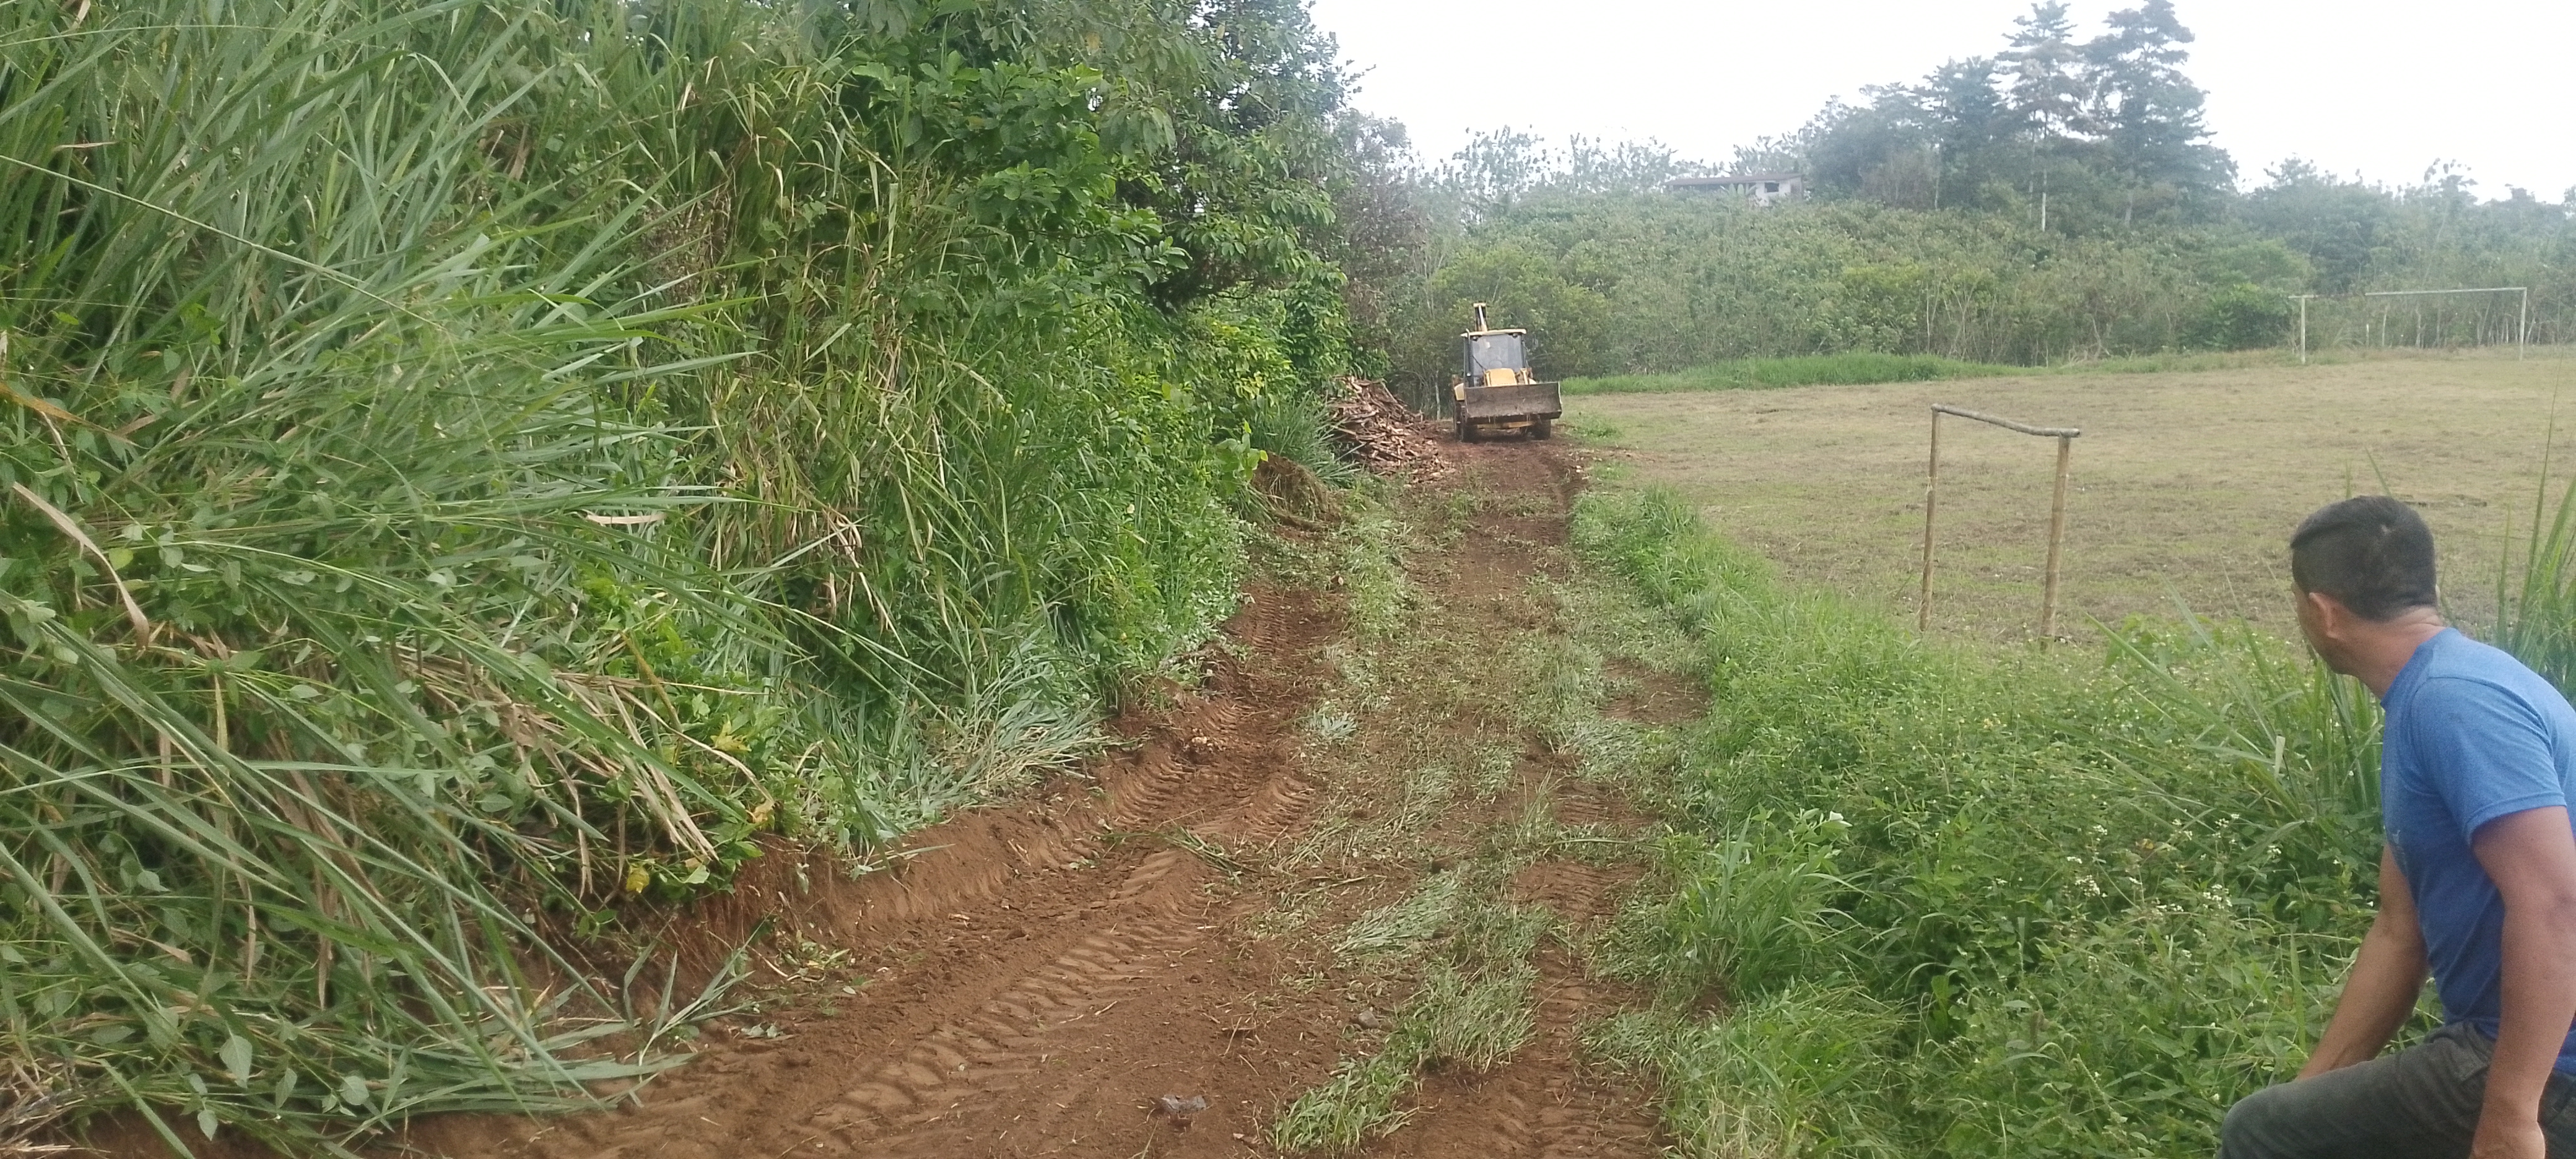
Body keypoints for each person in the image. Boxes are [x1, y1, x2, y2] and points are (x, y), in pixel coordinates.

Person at [2221, 496, 2576, 1158]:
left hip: (2551, 1070)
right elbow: (2398, 931)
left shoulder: (2453, 703)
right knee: (2282, 1125)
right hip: (2524, 1053)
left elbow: (2555, 904)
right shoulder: (2445, 689)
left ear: (2323, 612)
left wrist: (2510, 1118)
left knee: (2254, 1134)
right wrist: (2310, 1098)